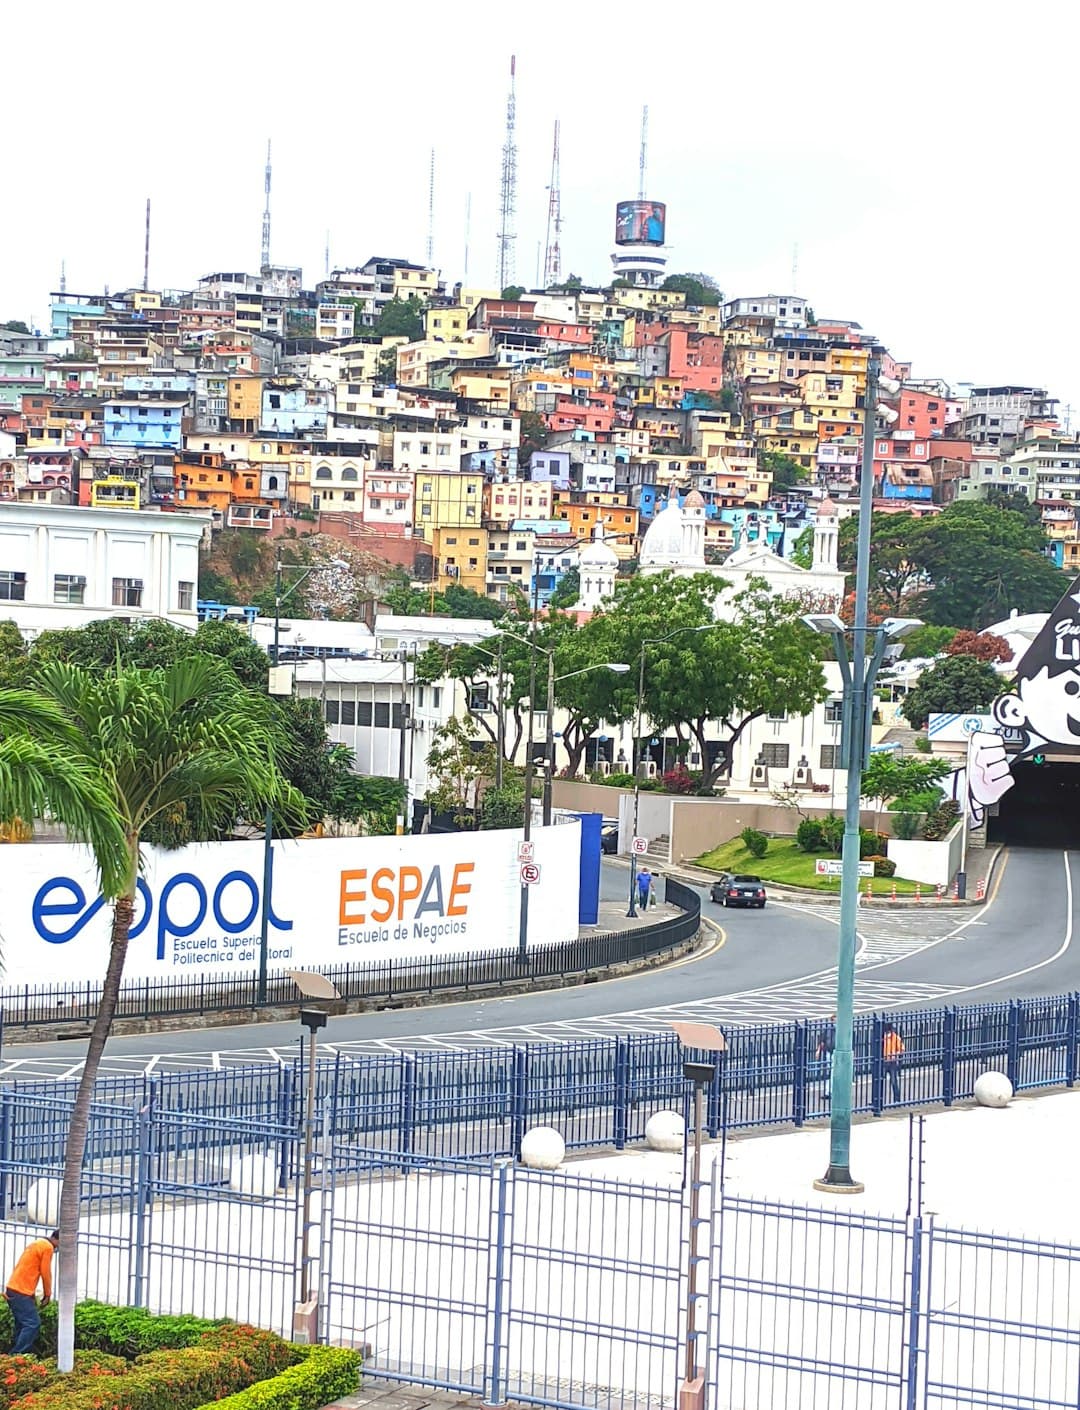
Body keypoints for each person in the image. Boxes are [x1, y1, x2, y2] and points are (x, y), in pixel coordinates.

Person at [6, 1230, 58, 1354]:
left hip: (14, 1288)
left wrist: (32, 1294)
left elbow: (29, 1269)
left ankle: (13, 1356)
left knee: (21, 1324)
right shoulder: (47, 1247)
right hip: (21, 1291)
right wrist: (47, 1294)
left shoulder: (38, 1243)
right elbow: (45, 1273)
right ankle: (16, 1355)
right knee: (32, 1324)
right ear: (57, 1239)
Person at [883, 1022, 904, 1103]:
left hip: (892, 1062)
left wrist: (895, 1055)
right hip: (884, 1061)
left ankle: (897, 1099)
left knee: (893, 1081)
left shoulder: (895, 1037)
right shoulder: (883, 1037)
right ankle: (878, 1101)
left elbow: (901, 1049)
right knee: (880, 1081)